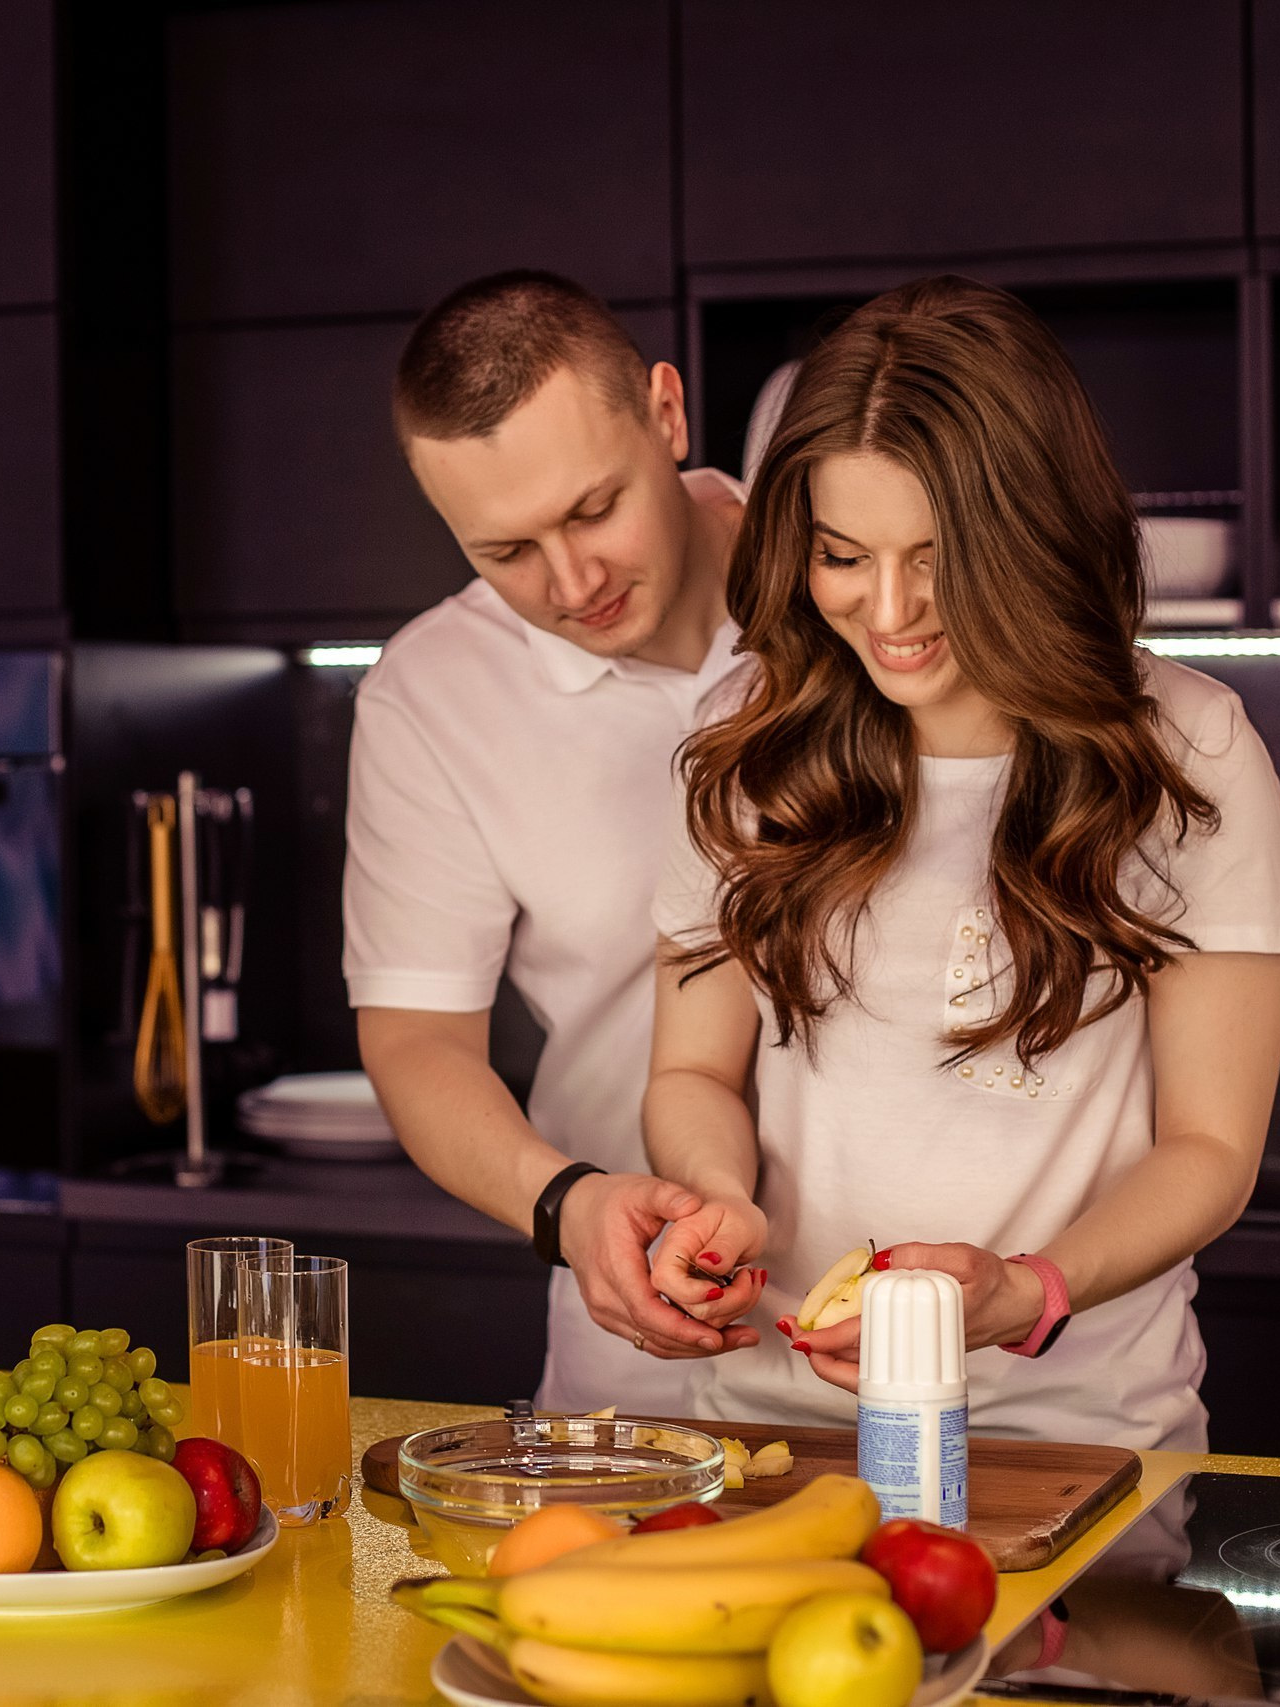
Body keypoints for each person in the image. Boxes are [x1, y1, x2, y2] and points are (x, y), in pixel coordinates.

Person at [639, 277, 1280, 1450]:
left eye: (937, 559)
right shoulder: (756, 740)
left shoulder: (1187, 749)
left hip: (1075, 1434)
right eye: (842, 555)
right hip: (774, 1427)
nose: (885, 610)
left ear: (1029, 538)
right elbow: (693, 1071)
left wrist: (1025, 1291)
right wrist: (719, 1199)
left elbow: (1210, 1150)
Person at [345, 271, 756, 1412]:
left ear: (665, 415)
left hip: (935, 1325)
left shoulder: (863, 583)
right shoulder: (431, 694)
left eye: (591, 510)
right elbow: (419, 1041)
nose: (571, 582)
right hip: (646, 1345)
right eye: (504, 552)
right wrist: (565, 1203)